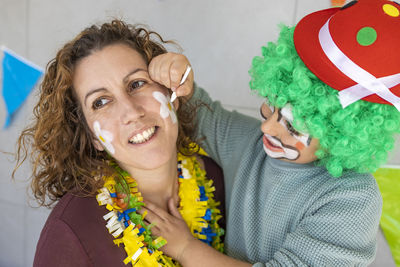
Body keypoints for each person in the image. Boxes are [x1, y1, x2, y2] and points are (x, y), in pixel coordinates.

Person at [143, 0, 400, 266]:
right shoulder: (251, 145)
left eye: (291, 126)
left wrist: (185, 249)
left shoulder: (354, 198)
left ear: (341, 138)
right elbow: (198, 114)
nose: (266, 127)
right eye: (271, 106)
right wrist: (179, 77)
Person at [14, 20, 226, 266]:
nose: (131, 112)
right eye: (101, 102)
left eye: (137, 84)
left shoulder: (216, 178)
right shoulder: (70, 233)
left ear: (171, 94)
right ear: (92, 136)